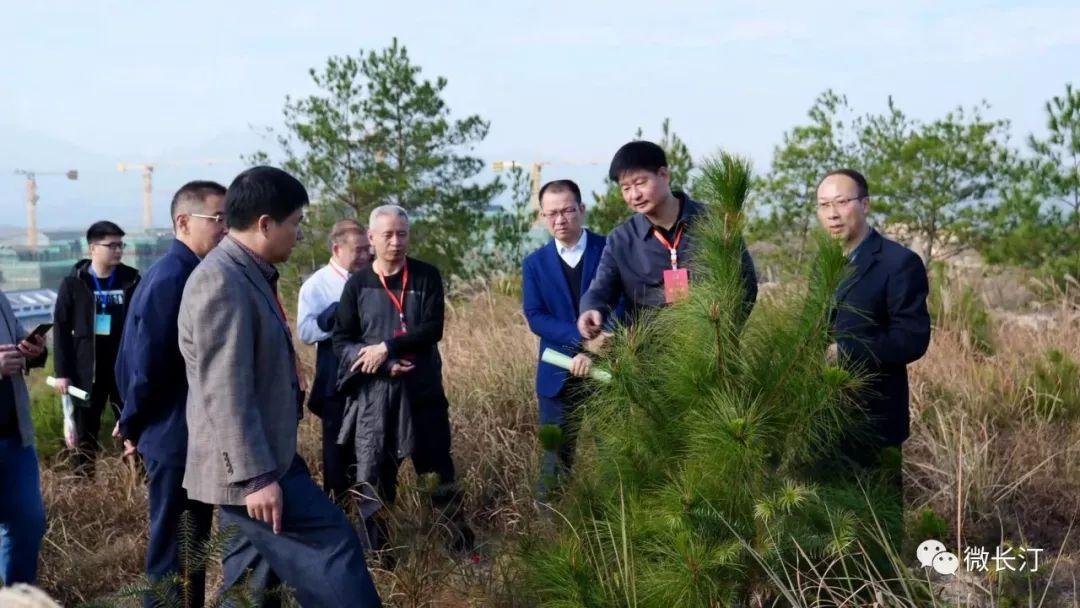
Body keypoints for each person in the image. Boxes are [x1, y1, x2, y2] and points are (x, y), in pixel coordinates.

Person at [178, 166, 380, 606]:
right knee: (334, 549)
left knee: (252, 584)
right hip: (252, 470)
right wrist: (256, 479)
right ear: (265, 224)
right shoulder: (221, 282)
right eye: (296, 225)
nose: (299, 235)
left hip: (263, 461)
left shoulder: (247, 272)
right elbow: (224, 389)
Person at [332, 205, 472, 554]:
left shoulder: (426, 276)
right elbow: (341, 341)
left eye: (403, 234)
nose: (396, 242)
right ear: (371, 238)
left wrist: (388, 346)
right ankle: (379, 557)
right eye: (388, 235)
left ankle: (459, 548)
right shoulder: (358, 284)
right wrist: (381, 363)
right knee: (376, 478)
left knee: (438, 471)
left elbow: (432, 329)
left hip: (422, 393)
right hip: (376, 398)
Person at [114, 181, 228, 607]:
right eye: (217, 219)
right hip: (173, 435)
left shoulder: (181, 271)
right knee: (174, 552)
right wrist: (133, 421)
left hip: (176, 433)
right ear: (184, 221)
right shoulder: (175, 278)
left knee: (189, 548)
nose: (224, 229)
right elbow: (148, 364)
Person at [816, 168, 931, 542]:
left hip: (875, 416)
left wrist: (845, 352)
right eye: (823, 205)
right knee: (831, 523)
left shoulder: (898, 263)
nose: (833, 213)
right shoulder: (824, 263)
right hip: (822, 416)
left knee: (878, 525)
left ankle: (888, 591)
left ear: (864, 205)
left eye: (842, 202)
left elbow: (911, 339)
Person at [578, 140, 758, 340]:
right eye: (625, 188)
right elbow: (601, 289)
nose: (634, 195)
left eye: (640, 183)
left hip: (715, 351)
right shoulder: (621, 240)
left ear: (663, 175)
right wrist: (591, 309)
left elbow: (746, 283)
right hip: (652, 360)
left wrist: (722, 335)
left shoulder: (715, 221)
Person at [522, 179, 614, 496]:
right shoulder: (534, 264)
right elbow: (535, 316)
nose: (560, 220)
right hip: (557, 372)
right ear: (543, 217)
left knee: (615, 458)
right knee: (554, 463)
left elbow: (626, 303)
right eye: (551, 214)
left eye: (567, 211)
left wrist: (598, 345)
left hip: (608, 369)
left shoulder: (609, 250)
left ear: (582, 210)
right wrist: (579, 341)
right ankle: (553, 534)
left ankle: (618, 529)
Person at [53, 220, 141, 477]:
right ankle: (82, 487)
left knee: (134, 429)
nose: (118, 250)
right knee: (84, 435)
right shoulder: (74, 283)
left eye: (120, 245)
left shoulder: (131, 279)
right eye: (111, 245)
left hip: (123, 369)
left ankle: (139, 485)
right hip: (86, 371)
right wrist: (62, 372)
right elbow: (60, 329)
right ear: (92, 248)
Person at [297, 219, 372, 505]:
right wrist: (338, 321)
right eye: (359, 250)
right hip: (335, 380)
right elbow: (305, 332)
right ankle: (340, 511)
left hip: (371, 377)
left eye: (368, 249)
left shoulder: (373, 278)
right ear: (337, 249)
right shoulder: (317, 285)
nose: (365, 256)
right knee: (338, 452)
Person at [0, 290, 48, 585]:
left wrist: (34, 349)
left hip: (14, 436)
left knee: (28, 524)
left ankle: (18, 598)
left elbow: (18, 342)